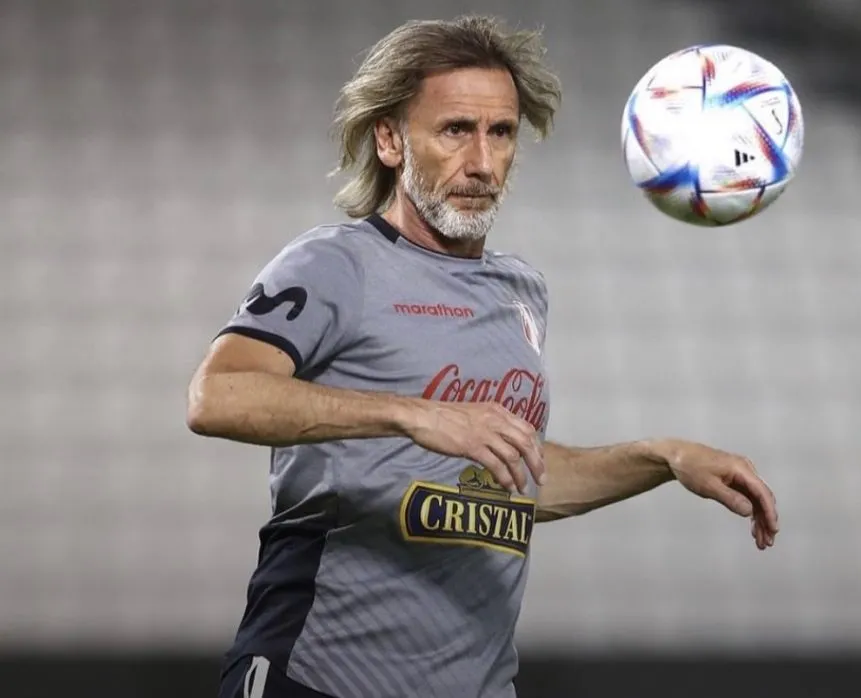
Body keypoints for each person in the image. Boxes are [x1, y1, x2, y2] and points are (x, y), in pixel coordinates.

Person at [187, 14, 779, 698]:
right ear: (389, 139)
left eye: (500, 133)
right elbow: (217, 396)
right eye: (454, 131)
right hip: (320, 675)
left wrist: (664, 459)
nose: (482, 162)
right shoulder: (334, 265)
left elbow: (518, 477)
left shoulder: (522, 292)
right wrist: (413, 415)